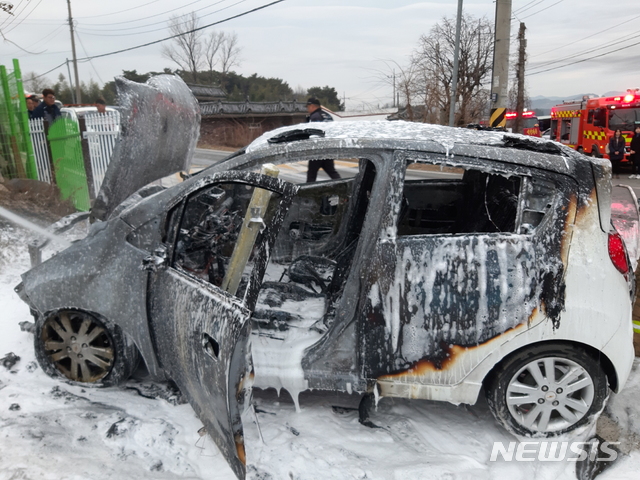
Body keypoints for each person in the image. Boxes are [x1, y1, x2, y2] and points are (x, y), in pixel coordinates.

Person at [305, 97, 341, 183]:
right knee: (332, 171)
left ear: (312, 106)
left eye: (308, 106)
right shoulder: (328, 116)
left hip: (318, 150)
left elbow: (314, 133)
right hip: (328, 148)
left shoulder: (314, 117)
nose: (307, 109)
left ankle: (308, 195)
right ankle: (346, 191)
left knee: (311, 175)